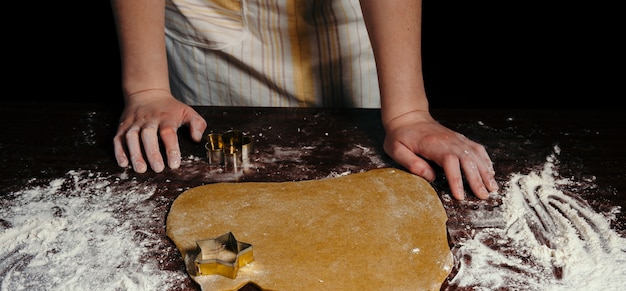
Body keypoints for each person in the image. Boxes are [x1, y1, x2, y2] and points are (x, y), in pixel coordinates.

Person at [111, 0, 498, 200]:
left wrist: (407, 111)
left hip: (353, 27)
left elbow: (404, 111)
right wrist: (147, 88)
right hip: (209, 29)